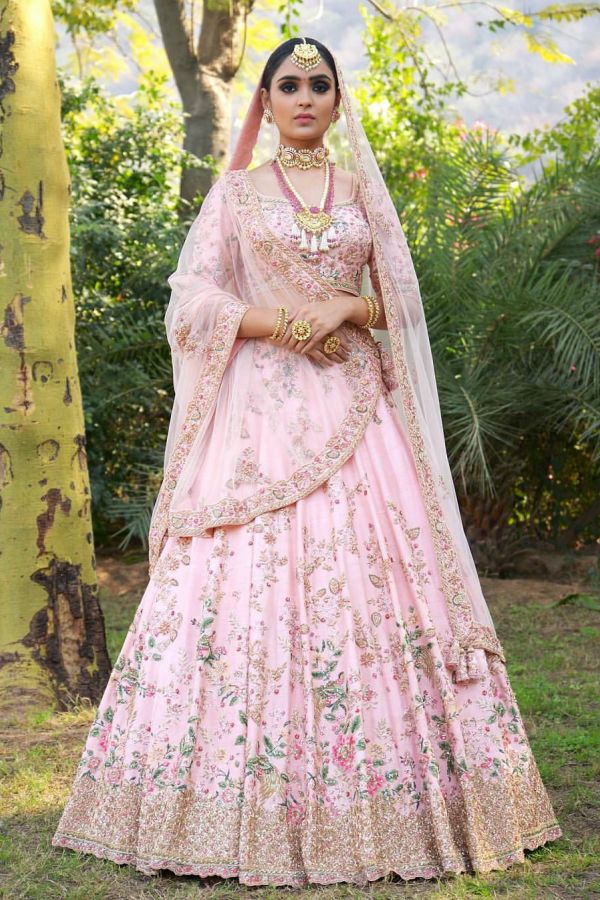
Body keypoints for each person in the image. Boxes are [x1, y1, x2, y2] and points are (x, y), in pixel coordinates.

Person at [51, 37, 561, 887]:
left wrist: (341, 307)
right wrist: (281, 323)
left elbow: (400, 302)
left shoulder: (363, 194)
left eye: (319, 85)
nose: (305, 97)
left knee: (381, 582)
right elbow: (193, 298)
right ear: (266, 98)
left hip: (358, 415)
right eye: (289, 84)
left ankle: (404, 802)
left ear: (336, 100)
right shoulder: (237, 194)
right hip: (257, 423)